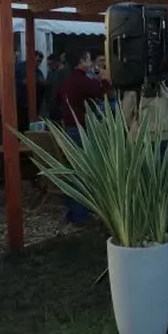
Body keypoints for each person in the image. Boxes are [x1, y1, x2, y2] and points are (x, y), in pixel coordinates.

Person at [57, 50, 111, 224]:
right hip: (82, 130)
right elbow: (102, 92)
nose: (92, 62)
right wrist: (104, 78)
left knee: (74, 170)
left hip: (70, 129)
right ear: (81, 61)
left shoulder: (68, 80)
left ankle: (73, 211)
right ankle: (80, 215)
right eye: (89, 58)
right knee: (83, 171)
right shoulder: (81, 80)